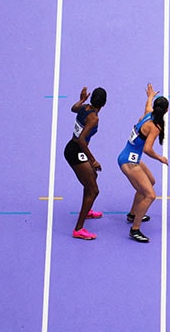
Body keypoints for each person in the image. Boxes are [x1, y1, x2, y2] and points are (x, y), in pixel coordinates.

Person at [117, 83, 169, 243]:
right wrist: (160, 158)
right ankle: (135, 229)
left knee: (151, 182)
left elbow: (147, 106)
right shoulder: (155, 127)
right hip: (129, 161)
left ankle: (133, 214)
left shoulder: (149, 114)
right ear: (166, 110)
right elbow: (147, 149)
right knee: (150, 195)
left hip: (130, 156)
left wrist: (150, 96)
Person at [63, 86, 107, 240]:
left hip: (73, 148)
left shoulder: (84, 108)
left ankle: (86, 211)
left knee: (92, 177)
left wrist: (81, 100)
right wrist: (93, 160)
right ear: (104, 103)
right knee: (93, 190)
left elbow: (73, 108)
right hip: (75, 152)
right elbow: (82, 140)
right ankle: (78, 229)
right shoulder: (94, 118)